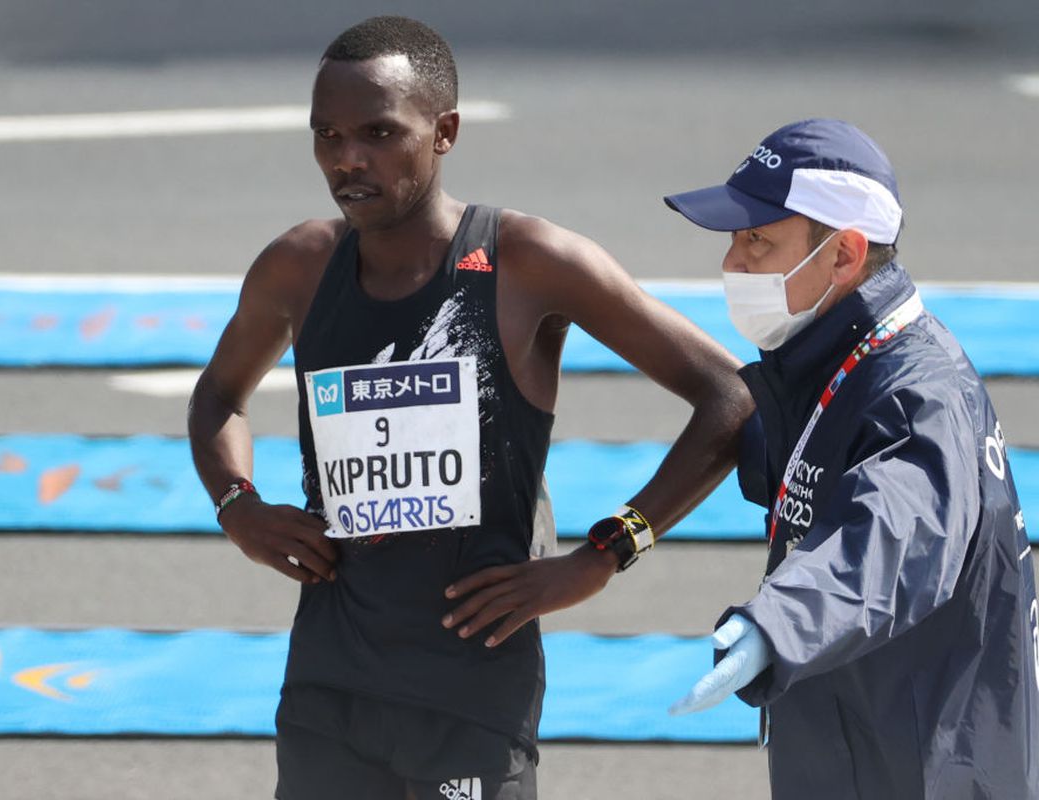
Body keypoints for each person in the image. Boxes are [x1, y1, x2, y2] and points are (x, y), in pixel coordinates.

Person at [188, 15, 750, 800]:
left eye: (379, 132)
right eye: (326, 135)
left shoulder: (526, 261)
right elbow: (219, 395)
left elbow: (730, 397)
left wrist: (605, 552)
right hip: (329, 682)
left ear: (444, 131)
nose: (347, 159)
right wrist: (238, 506)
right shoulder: (299, 267)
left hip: (473, 690)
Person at [664, 118, 1039, 798]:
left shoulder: (919, 396)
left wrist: (774, 626)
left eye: (757, 241)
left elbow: (887, 541)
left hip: (926, 762)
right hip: (848, 732)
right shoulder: (823, 357)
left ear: (843, 255)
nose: (731, 264)